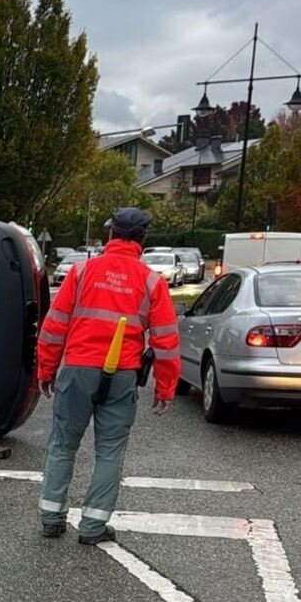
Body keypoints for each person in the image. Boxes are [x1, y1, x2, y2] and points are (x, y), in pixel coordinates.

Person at [36, 207, 180, 544]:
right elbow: (166, 342)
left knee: (62, 445)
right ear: (143, 240)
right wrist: (166, 387)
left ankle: (51, 519)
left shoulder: (82, 271)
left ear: (111, 234)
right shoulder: (151, 281)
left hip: (79, 369)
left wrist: (45, 368)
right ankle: (92, 526)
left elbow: (54, 326)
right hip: (122, 373)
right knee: (110, 451)